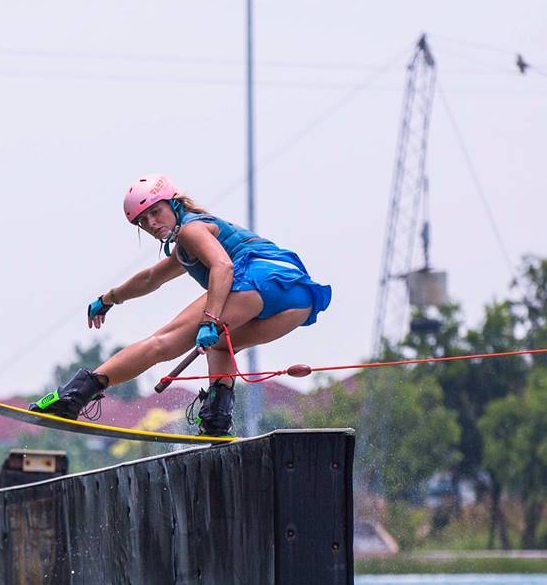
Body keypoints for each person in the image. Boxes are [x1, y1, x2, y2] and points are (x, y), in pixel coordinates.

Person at [34, 174, 332, 436]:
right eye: (142, 220)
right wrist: (108, 299)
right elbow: (151, 278)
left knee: (162, 343)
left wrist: (210, 319)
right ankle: (216, 420)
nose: (151, 223)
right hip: (298, 300)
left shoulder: (192, 229)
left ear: (174, 203)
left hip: (262, 277)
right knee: (220, 345)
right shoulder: (187, 246)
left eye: (155, 212)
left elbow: (223, 267)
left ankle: (73, 396)